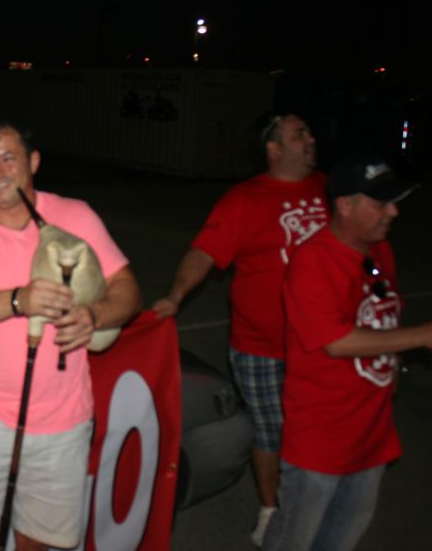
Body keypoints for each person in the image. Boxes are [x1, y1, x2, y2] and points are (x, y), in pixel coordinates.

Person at [0, 121, 141, 551]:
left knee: (40, 542)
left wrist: (95, 315)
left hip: (65, 419)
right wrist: (18, 300)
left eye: (8, 158)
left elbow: (128, 289)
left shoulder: (76, 216)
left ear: (34, 162)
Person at [262, 153, 432, 551]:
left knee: (340, 541)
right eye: (381, 203)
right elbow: (337, 341)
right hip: (321, 440)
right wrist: (421, 335)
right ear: (345, 205)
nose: (394, 211)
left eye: (394, 201)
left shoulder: (379, 251)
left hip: (371, 432)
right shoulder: (313, 261)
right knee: (294, 540)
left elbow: (383, 321)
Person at [152, 113, 327, 546]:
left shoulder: (329, 188)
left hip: (323, 342)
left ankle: (310, 503)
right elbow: (204, 253)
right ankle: (271, 510)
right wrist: (175, 296)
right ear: (275, 149)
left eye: (309, 131)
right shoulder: (245, 199)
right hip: (261, 345)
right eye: (299, 134)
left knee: (314, 429)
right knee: (270, 431)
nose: (311, 139)